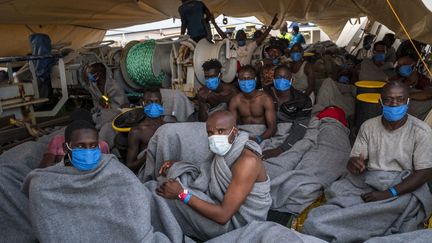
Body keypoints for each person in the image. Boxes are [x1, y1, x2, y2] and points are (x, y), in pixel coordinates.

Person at [303, 81, 432, 242]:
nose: (394, 104)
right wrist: (354, 164)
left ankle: (344, 226)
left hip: (402, 188)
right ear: (380, 102)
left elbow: (424, 172)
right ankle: (341, 223)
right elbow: (354, 161)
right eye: (388, 99)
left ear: (408, 102)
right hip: (369, 181)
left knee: (399, 209)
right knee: (335, 195)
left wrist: (387, 193)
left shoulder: (421, 131)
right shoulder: (368, 126)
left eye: (400, 99)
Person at [155, 110, 271, 241]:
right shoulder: (227, 149)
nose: (215, 137)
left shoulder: (247, 162)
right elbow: (207, 174)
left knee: (164, 198)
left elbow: (223, 216)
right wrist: (177, 164)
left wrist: (182, 194)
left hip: (237, 224)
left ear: (235, 132)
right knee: (170, 180)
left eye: (221, 131)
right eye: (210, 133)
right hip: (220, 203)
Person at [262, 65, 312, 159]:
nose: (281, 80)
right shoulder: (265, 93)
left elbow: (299, 129)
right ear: (273, 79)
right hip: (268, 129)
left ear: (291, 80)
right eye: (278, 77)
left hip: (289, 132)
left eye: (285, 78)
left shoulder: (302, 100)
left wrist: (281, 149)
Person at [39, 109, 110, 168]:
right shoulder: (57, 140)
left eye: (93, 146)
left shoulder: (102, 145)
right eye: (80, 146)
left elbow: (104, 165)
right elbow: (46, 165)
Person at [229, 65, 276, 144]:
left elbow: (272, 127)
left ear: (255, 79)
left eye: (249, 78)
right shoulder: (235, 100)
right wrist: (239, 137)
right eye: (243, 79)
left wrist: (258, 139)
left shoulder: (265, 99)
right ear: (239, 81)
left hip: (262, 135)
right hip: (242, 134)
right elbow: (232, 125)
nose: (246, 81)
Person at [212, 14, 278, 66]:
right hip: (234, 74)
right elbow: (223, 36)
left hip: (246, 71)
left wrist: (271, 25)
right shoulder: (233, 46)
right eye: (238, 37)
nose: (240, 38)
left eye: (242, 37)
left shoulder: (250, 46)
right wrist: (214, 24)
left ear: (245, 38)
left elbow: (262, 38)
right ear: (236, 39)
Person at [126, 88, 165, 173]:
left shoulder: (169, 125)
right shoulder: (137, 132)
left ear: (162, 104)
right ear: (142, 104)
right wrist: (149, 154)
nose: (153, 105)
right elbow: (130, 166)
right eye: (149, 102)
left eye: (157, 101)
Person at [391, 54, 432, 120]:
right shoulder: (398, 78)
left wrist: (407, 96)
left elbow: (428, 94)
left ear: (413, 65)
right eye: (399, 65)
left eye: (404, 64)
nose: (401, 67)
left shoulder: (423, 80)